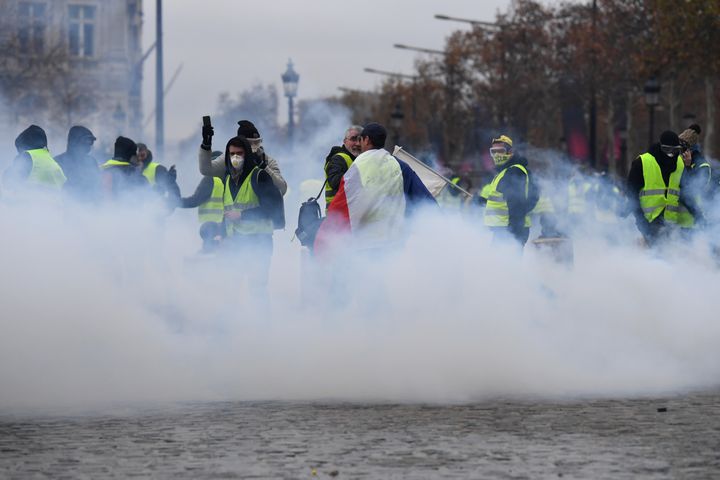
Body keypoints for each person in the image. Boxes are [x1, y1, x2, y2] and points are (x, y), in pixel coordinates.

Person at [314, 122, 437, 255]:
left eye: (360, 139)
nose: (358, 144)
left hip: (364, 244)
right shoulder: (400, 165)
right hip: (393, 243)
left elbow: (343, 203)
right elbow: (424, 202)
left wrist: (325, 237)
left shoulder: (358, 166)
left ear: (366, 140)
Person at [218, 135, 284, 288]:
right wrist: (222, 234)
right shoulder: (228, 179)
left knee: (257, 289)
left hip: (259, 242)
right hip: (234, 243)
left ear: (247, 154)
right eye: (231, 153)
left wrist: (242, 215)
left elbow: (272, 208)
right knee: (231, 288)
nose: (235, 157)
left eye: (239, 153)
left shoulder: (259, 176)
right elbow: (227, 210)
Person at [626, 130, 702, 245]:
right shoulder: (642, 162)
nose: (671, 154)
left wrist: (698, 215)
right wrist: (642, 223)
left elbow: (685, 194)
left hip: (669, 226)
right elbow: (632, 196)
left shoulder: (680, 165)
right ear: (661, 147)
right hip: (647, 223)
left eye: (675, 150)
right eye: (667, 150)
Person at [199, 119, 287, 195]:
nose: (254, 147)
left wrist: (263, 166)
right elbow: (207, 170)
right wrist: (206, 145)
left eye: (257, 142)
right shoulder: (230, 159)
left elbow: (282, 189)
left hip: (259, 213)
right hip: (231, 212)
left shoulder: (267, 161)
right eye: (250, 143)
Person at [483, 134, 539, 246]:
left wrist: (513, 234)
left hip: (510, 231)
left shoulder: (513, 172)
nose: (496, 155)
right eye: (493, 152)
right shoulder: (506, 171)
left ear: (510, 151)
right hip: (505, 230)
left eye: (500, 150)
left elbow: (517, 204)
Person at [178, 151, 225, 252]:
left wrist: (176, 202)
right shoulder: (229, 178)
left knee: (208, 258)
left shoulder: (210, 180)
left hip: (210, 229)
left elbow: (195, 200)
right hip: (225, 226)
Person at [3, 125, 66, 191]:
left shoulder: (27, 157)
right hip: (52, 200)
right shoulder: (52, 162)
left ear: (25, 144)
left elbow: (10, 180)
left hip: (31, 199)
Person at [54, 125, 101, 201]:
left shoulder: (91, 162)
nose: (89, 146)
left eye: (90, 143)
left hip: (89, 207)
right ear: (75, 142)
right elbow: (53, 190)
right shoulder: (58, 162)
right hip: (66, 207)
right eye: (86, 142)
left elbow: (98, 187)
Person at [677, 124, 711, 228]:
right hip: (677, 223)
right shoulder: (680, 163)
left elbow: (691, 188)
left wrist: (688, 167)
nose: (679, 153)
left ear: (689, 150)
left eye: (681, 149)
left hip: (694, 224)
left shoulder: (703, 166)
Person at [324, 125, 362, 209]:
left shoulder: (358, 160)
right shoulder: (338, 159)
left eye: (360, 140)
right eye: (353, 139)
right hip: (338, 217)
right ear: (345, 141)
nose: (358, 143)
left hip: (349, 215)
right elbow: (335, 182)